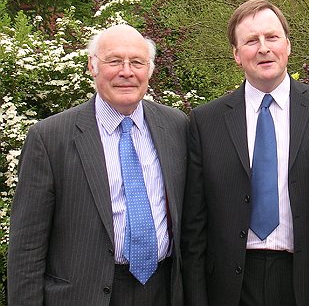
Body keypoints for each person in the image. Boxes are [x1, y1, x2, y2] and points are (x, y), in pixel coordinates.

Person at [182, 0, 309, 306]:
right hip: (230, 285)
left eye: (271, 37)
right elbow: (195, 226)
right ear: (236, 54)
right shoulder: (206, 121)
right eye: (251, 41)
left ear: (287, 45)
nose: (263, 48)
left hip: (306, 282)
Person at [8, 24, 188, 306]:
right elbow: (27, 247)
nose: (126, 71)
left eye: (137, 62)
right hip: (84, 294)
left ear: (150, 70)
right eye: (114, 61)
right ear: (93, 66)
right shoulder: (50, 138)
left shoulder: (176, 126)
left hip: (162, 290)